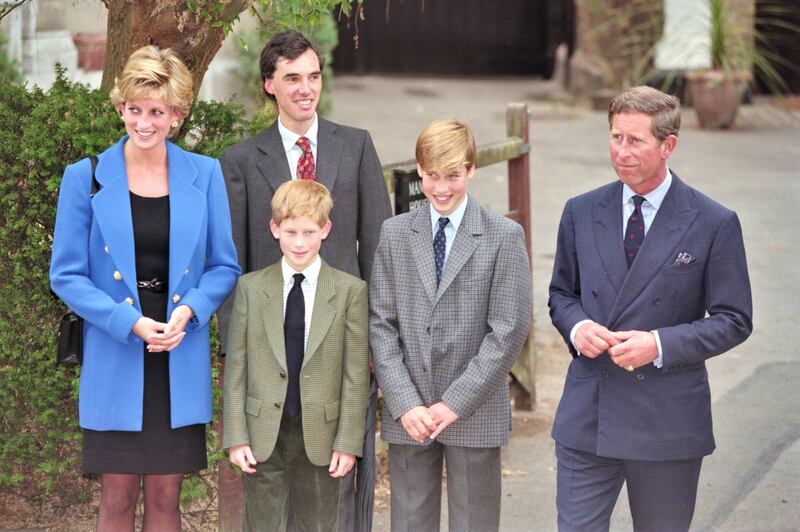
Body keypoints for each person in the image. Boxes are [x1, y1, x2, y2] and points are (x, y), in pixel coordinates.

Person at [49, 45, 240, 531]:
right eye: (135, 109)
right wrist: (127, 321)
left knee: (165, 496)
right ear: (121, 107)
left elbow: (223, 266)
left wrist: (190, 311)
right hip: (117, 349)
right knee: (114, 496)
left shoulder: (206, 173)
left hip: (178, 350)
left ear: (176, 114)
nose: (145, 122)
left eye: (157, 111)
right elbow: (66, 274)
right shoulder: (86, 177)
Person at [548, 86, 753, 532]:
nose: (622, 151)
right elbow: (562, 295)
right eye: (615, 137)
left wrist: (658, 344)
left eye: (635, 140)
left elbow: (734, 319)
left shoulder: (713, 222)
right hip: (589, 415)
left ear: (668, 146)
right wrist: (578, 327)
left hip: (667, 422)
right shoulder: (581, 212)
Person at [217, 29, 391, 531]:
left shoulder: (355, 147)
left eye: (313, 76)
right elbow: (235, 261)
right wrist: (236, 348)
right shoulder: (242, 161)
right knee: (271, 476)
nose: (305, 88)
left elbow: (377, 248)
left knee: (337, 479)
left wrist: (377, 339)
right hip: (272, 338)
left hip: (340, 339)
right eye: (292, 78)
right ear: (270, 84)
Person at [370, 118, 532, 531]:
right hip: (411, 413)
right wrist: (405, 402)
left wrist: (455, 402)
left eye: (454, 176)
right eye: (432, 176)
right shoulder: (394, 233)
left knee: (474, 522)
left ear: (472, 170)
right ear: (420, 170)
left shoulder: (503, 236)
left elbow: (508, 331)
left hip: (473, 409)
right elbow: (381, 325)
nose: (442, 188)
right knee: (408, 522)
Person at [223, 179, 370, 531]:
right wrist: (236, 436)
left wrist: (348, 442)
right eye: (290, 231)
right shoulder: (251, 288)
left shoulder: (350, 291)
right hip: (263, 434)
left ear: (326, 229)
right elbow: (237, 367)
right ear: (275, 229)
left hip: (321, 435)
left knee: (317, 525)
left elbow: (355, 375)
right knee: (261, 524)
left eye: (309, 231)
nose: (300, 242)